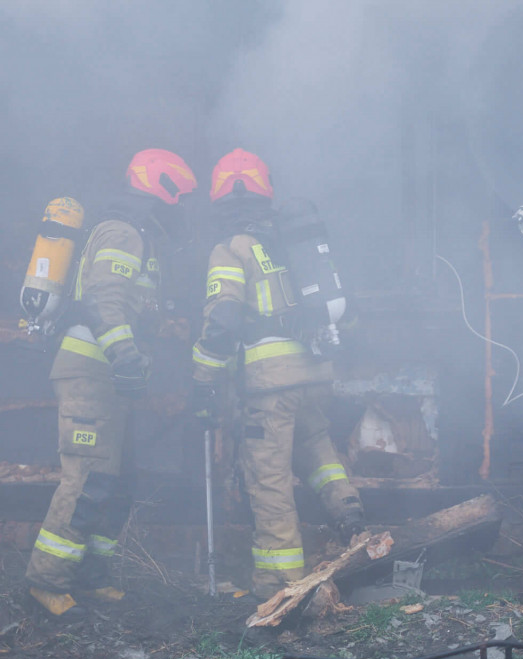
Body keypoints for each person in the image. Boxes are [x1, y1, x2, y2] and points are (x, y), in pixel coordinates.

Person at [26, 149, 198, 616]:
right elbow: (105, 298)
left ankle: (91, 575)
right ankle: (47, 581)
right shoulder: (123, 231)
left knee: (116, 481)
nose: (179, 210)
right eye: (177, 199)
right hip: (92, 370)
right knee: (86, 478)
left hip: (110, 377)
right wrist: (124, 352)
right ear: (161, 192)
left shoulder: (139, 235)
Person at [189, 148, 365, 600]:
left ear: (220, 200)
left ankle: (280, 583)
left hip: (269, 385)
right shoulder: (290, 239)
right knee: (316, 447)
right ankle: (352, 518)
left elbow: (223, 320)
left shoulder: (230, 249)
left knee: (268, 478)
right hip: (314, 371)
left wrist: (203, 376)